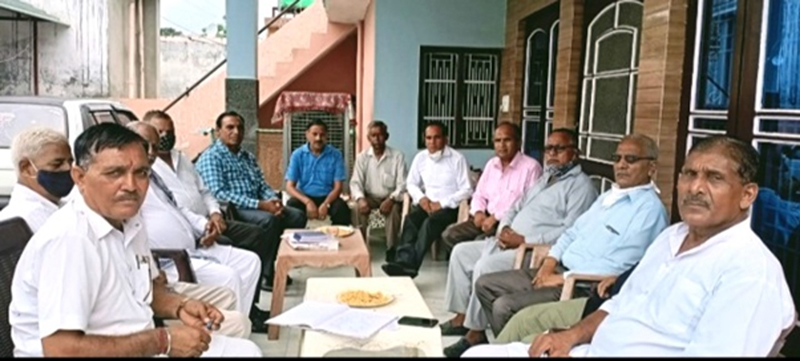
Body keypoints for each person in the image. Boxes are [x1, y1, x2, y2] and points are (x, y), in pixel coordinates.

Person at [468, 136, 796, 357]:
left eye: (714, 178)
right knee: (477, 355)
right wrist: (570, 336)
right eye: (689, 174)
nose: (696, 187)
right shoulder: (671, 238)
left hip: (582, 295)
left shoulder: (749, 272)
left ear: (748, 194)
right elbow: (620, 302)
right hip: (589, 350)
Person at [9, 123, 261, 357]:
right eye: (114, 173)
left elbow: (144, 292)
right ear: (80, 177)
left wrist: (180, 305)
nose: (131, 185)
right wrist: (164, 341)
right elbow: (61, 349)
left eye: (141, 173)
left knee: (245, 348)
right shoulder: (71, 239)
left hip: (134, 343)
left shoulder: (129, 220)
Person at [460, 134, 668, 356]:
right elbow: (571, 232)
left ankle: (512, 348)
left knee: (504, 306)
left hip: (581, 285)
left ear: (651, 167)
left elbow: (618, 267)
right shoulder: (609, 197)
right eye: (617, 158)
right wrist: (549, 263)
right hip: (557, 268)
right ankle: (513, 345)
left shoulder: (648, 211)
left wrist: (563, 278)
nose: (622, 165)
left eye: (631, 159)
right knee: (485, 284)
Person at [441, 129, 602, 357]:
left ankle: (475, 333)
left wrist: (525, 240)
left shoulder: (581, 187)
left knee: (484, 267)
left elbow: (570, 231)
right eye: (549, 149)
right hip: (506, 240)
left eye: (560, 149)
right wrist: (504, 228)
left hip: (531, 251)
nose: (552, 154)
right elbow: (516, 206)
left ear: (575, 154)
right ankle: (461, 317)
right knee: (460, 253)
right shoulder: (545, 178)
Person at [128, 122, 264, 329]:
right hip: (169, 259)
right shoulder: (128, 185)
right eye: (145, 145)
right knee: (229, 277)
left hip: (196, 242)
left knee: (250, 261)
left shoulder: (153, 175)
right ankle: (226, 328)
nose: (151, 152)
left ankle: (238, 325)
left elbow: (179, 209)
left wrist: (206, 224)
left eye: (155, 146)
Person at [143, 110, 282, 293]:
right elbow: (181, 208)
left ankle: (255, 297)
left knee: (259, 236)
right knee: (253, 234)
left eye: (170, 131)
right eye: (159, 132)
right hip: (192, 232)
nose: (165, 136)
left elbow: (206, 192)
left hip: (210, 219)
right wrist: (204, 227)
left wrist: (215, 214)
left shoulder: (182, 159)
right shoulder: (148, 171)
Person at [195, 111, 307, 286]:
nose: (236, 132)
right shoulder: (211, 157)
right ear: (218, 131)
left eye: (240, 127)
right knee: (269, 221)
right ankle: (266, 274)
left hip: (256, 205)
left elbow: (262, 185)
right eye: (230, 127)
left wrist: (273, 202)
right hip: (232, 209)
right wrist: (260, 205)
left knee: (296, 215)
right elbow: (219, 193)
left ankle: (277, 262)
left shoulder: (247, 157)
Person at [382, 121, 473, 278]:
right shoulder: (421, 158)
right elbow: (411, 183)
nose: (432, 142)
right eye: (428, 138)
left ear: (446, 139)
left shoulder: (457, 159)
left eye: (437, 137)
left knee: (429, 224)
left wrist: (442, 204)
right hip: (426, 204)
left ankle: (411, 266)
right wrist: (422, 199)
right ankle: (402, 261)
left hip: (449, 207)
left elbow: (467, 190)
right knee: (411, 220)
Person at [441, 122, 543, 253]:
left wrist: (495, 218)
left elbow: (527, 204)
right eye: (497, 141)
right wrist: (478, 212)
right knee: (449, 234)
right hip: (484, 218)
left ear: (519, 143)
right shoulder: (491, 164)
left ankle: (480, 271)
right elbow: (479, 194)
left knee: (479, 242)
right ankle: (468, 269)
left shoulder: (531, 167)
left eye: (507, 140)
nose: (502, 145)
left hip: (509, 223)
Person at [492, 265, 636, 345]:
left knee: (533, 343)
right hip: (600, 302)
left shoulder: (646, 215)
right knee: (522, 320)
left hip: (617, 318)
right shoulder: (658, 246)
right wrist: (621, 278)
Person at [0, 127, 74, 229]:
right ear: (26, 168)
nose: (68, 168)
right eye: (57, 164)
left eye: (70, 162)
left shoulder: (60, 207)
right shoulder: (25, 220)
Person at [349, 120, 407, 247]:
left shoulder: (398, 156)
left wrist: (391, 199)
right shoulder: (362, 157)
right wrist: (360, 199)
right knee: (357, 208)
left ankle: (392, 249)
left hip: (390, 197)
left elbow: (402, 184)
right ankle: (361, 245)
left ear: (386, 136)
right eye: (373, 136)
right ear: (368, 138)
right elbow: (355, 182)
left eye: (380, 135)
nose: (377, 139)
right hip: (370, 196)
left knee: (395, 211)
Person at [285, 119, 351, 225]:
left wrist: (326, 203)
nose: (318, 138)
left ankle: (340, 239)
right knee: (292, 206)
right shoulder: (297, 155)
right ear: (307, 135)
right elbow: (289, 187)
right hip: (305, 196)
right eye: (314, 134)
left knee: (341, 208)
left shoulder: (335, 155)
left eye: (322, 135)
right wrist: (308, 202)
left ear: (327, 136)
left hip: (328, 197)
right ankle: (294, 239)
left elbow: (338, 187)